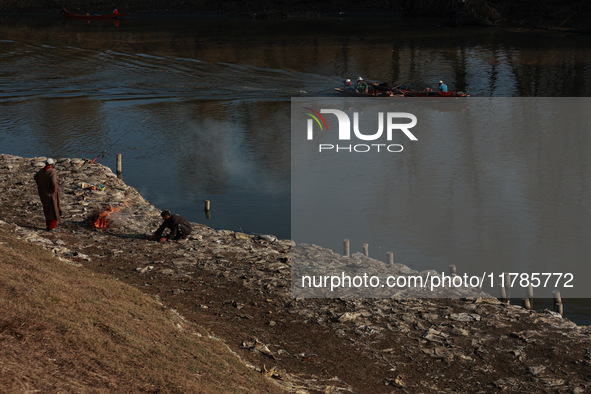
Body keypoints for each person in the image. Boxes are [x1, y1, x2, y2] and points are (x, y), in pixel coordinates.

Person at [34, 158, 62, 231]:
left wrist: (41, 186)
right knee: (53, 210)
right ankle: (52, 227)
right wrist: (53, 190)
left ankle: (48, 225)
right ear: (52, 164)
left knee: (46, 209)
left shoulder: (41, 171)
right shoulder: (52, 172)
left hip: (43, 194)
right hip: (51, 194)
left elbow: (35, 177)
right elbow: (53, 183)